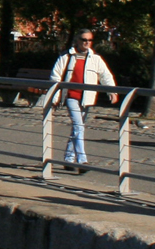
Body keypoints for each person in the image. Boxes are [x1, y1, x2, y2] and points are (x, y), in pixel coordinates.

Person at [49, 30, 117, 173]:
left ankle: (68, 159)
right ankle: (82, 161)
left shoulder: (95, 59)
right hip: (71, 97)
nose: (87, 42)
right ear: (77, 41)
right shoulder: (67, 57)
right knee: (78, 126)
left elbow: (106, 75)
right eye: (84, 39)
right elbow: (55, 77)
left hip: (87, 98)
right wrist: (54, 98)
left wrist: (112, 91)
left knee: (77, 128)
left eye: (90, 40)